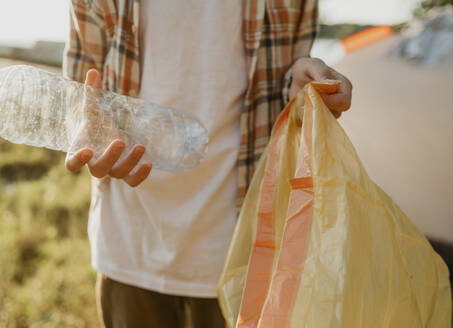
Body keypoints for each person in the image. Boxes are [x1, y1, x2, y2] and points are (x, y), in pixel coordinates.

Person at [63, 0, 352, 327]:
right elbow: (80, 90)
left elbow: (286, 76)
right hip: (129, 240)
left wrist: (301, 90)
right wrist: (93, 134)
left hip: (244, 250)